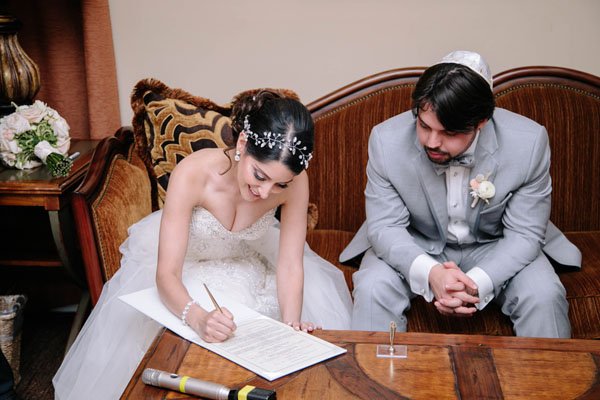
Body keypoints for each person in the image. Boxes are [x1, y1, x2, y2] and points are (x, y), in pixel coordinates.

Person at [53, 90, 352, 399]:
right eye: (260, 176)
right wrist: (198, 318)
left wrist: (290, 326)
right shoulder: (194, 173)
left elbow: (289, 264)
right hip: (188, 270)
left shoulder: (296, 182)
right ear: (242, 144)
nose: (266, 193)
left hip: (249, 264)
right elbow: (167, 273)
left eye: (280, 185)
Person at [341, 50, 581, 338]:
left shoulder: (528, 143)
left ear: (482, 122)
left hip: (497, 243)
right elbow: (386, 227)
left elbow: (524, 234)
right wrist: (432, 274)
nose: (432, 141)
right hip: (415, 241)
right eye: (424, 125)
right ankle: (374, 370)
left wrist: (475, 282)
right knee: (372, 288)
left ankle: (547, 371)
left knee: (544, 294)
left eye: (449, 132)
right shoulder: (385, 140)